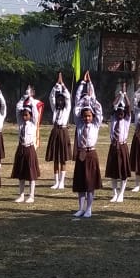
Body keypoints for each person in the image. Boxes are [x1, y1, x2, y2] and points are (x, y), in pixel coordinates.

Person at [71, 71, 103, 218]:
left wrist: (90, 89)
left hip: (91, 154)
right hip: (81, 154)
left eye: (89, 116)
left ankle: (89, 208)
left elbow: (98, 109)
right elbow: (77, 106)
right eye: (85, 116)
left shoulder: (95, 124)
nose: (87, 118)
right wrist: (82, 84)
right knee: (80, 183)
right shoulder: (79, 124)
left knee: (90, 183)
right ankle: (80, 208)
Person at [11, 87, 41, 203]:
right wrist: (24, 97)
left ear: (30, 115)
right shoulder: (21, 123)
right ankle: (21, 195)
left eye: (26, 115)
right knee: (21, 173)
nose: (24, 117)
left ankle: (31, 195)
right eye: (23, 115)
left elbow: (35, 112)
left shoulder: (33, 123)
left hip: (29, 148)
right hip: (21, 148)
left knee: (31, 173)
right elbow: (17, 107)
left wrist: (31, 98)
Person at [45, 73, 73, 190]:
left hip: (63, 131)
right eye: (59, 100)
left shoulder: (67, 109)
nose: (60, 101)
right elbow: (51, 97)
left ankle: (62, 182)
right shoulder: (55, 109)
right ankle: (56, 181)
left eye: (62, 100)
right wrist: (56, 85)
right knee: (55, 157)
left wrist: (63, 85)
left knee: (63, 157)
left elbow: (68, 97)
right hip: (55, 131)